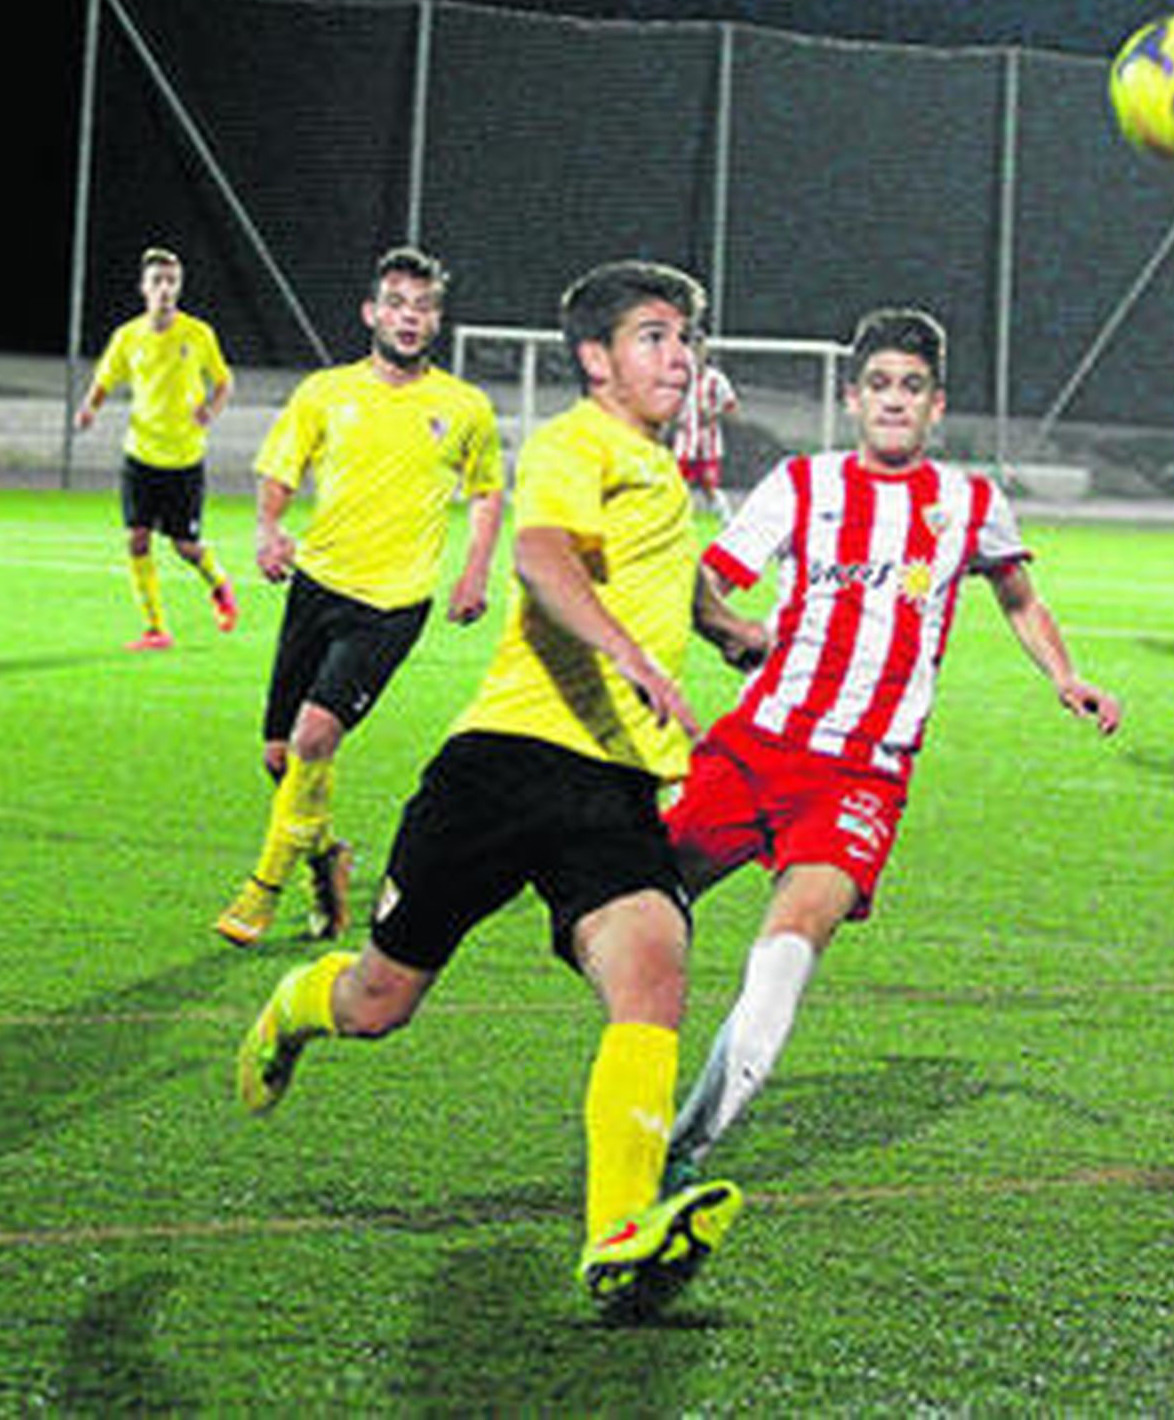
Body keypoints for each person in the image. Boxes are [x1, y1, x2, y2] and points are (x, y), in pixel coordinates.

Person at [234, 260, 762, 1320]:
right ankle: (292, 1008)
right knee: (378, 1004)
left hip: (614, 787)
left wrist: (725, 629)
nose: (677, 357)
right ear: (595, 358)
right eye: (653, 337)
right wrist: (631, 656)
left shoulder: (661, 474)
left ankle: (618, 1234)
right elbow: (540, 557)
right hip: (505, 764)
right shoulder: (574, 443)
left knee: (653, 967)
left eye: (684, 339)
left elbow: (658, 574)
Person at [659, 307, 1122, 1191]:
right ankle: (633, 1087)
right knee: (636, 904)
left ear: (936, 405)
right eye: (879, 385)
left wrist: (1066, 676)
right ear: (852, 398)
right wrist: (729, 630)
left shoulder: (970, 503)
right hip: (757, 746)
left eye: (912, 387)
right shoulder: (800, 485)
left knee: (792, 943)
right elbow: (705, 582)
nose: (895, 401)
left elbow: (1019, 596)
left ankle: (684, 1152)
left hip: (863, 776)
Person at [214, 247, 505, 946]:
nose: (410, 318)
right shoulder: (324, 392)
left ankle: (262, 890)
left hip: (392, 604)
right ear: (371, 313)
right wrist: (268, 528)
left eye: (424, 307)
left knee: (316, 736)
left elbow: (487, 491)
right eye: (397, 304)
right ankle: (326, 859)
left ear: (436, 321)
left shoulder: (464, 407)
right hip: (316, 587)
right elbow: (280, 468)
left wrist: (475, 571)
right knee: (281, 757)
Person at [75, 247, 238, 651]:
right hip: (141, 455)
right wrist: (89, 409)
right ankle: (155, 628)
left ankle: (219, 584)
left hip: (184, 458)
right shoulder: (128, 337)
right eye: (157, 281)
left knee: (185, 547)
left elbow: (224, 381)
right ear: (144, 287)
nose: (165, 288)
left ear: (178, 287)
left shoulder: (198, 334)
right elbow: (104, 380)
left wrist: (210, 409)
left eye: (171, 281)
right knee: (137, 539)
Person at [673, 360, 738, 520]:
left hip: (709, 442)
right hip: (685, 442)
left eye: (700, 350)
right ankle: (678, 519)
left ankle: (725, 519)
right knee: (678, 483)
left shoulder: (716, 379)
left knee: (710, 483)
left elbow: (732, 406)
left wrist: (714, 413)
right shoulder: (680, 377)